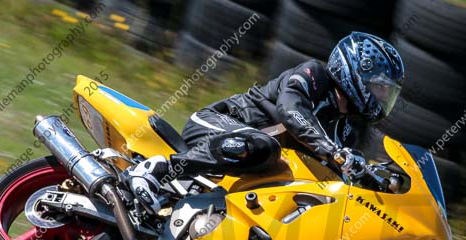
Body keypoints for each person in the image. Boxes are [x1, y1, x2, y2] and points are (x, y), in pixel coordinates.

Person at [127, 32, 405, 204]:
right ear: (355, 72)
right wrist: (334, 152)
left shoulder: (346, 130)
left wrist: (378, 181)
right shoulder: (313, 76)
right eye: (378, 87)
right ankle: (159, 169)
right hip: (216, 126)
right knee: (263, 145)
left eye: (387, 92)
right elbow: (292, 111)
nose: (381, 97)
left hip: (255, 163)